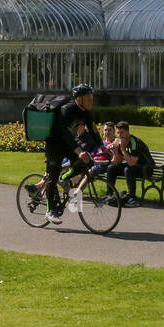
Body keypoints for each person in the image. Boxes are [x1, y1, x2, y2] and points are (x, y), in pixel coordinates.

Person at [42, 84, 99, 225]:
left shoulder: (86, 112)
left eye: (92, 98)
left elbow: (93, 131)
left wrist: (103, 147)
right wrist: (79, 151)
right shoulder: (66, 110)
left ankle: (64, 177)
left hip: (67, 145)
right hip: (54, 144)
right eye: (88, 98)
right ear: (79, 100)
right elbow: (65, 134)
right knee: (52, 176)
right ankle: (50, 211)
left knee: (85, 164)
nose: (91, 101)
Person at [106, 121, 154, 207]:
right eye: (118, 133)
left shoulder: (134, 142)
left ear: (128, 132)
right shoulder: (121, 142)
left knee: (128, 169)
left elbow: (132, 163)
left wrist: (123, 149)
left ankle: (132, 198)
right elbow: (119, 161)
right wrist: (116, 150)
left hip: (146, 168)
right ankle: (109, 194)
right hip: (133, 167)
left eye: (122, 133)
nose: (120, 135)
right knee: (111, 168)